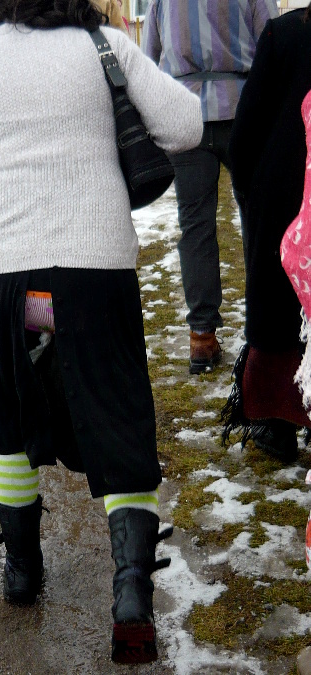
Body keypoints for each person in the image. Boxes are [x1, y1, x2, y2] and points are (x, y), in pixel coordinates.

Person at [0, 0, 202, 664]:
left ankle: (22, 571)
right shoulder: (102, 45)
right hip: (94, 271)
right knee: (117, 414)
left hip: (10, 281)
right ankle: (131, 595)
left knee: (12, 412)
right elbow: (184, 124)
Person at [141, 0, 278, 375]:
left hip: (185, 116)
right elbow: (272, 42)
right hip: (244, 110)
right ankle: (262, 331)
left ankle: (201, 335)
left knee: (196, 225)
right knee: (257, 223)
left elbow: (147, 60)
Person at [222, 4, 311, 462]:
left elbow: (248, 126)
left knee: (279, 307)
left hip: (284, 195)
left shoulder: (285, 34)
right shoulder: (281, 32)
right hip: (285, 194)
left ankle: (276, 422)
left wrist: (249, 188)